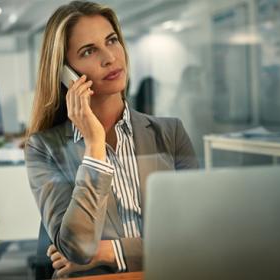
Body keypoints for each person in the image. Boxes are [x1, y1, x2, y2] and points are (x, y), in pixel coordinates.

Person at [25, 1, 198, 278]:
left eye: (112, 41)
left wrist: (109, 252)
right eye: (89, 51)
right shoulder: (45, 148)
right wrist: (94, 147)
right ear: (65, 73)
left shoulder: (170, 134)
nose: (110, 58)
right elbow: (77, 248)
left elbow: (195, 238)